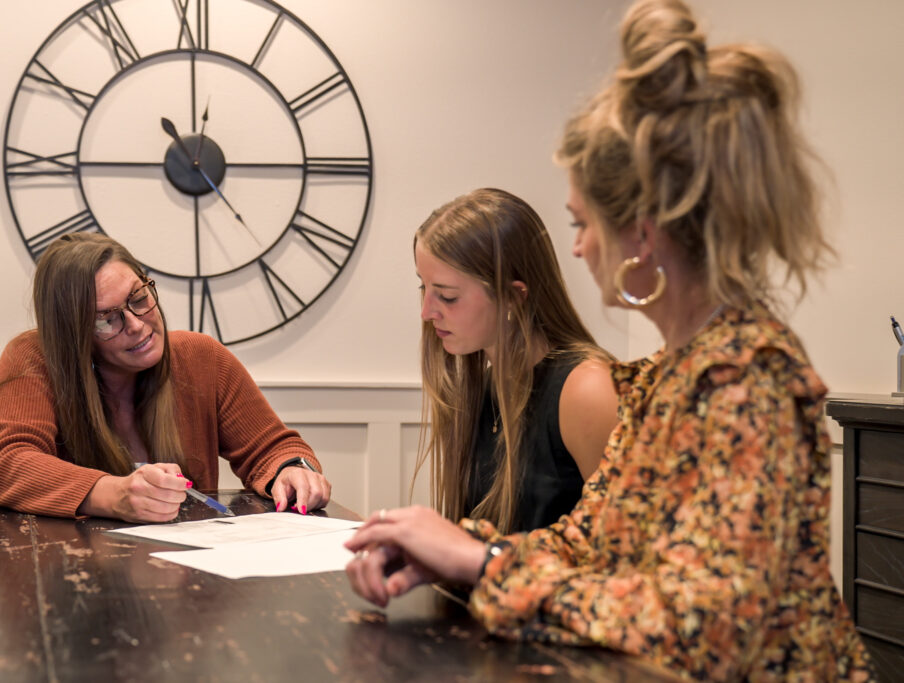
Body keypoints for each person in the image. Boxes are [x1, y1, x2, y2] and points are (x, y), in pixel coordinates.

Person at [345, 0, 872, 678]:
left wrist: (484, 562)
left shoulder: (748, 379)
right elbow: (591, 538)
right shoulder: (669, 376)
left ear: (642, 236)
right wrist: (451, 549)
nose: (578, 247)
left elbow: (703, 630)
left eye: (581, 223)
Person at [0, 233, 331, 522]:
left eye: (138, 298)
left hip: (190, 569)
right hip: (71, 571)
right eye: (106, 319)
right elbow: (7, 464)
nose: (136, 325)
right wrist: (113, 494)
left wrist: (292, 471)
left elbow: (273, 448)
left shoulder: (201, 357)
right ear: (73, 336)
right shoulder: (34, 357)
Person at [413, 188, 616, 533]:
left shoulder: (588, 390)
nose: (427, 312)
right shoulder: (485, 385)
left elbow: (625, 546)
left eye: (447, 296)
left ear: (513, 296)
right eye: (423, 288)